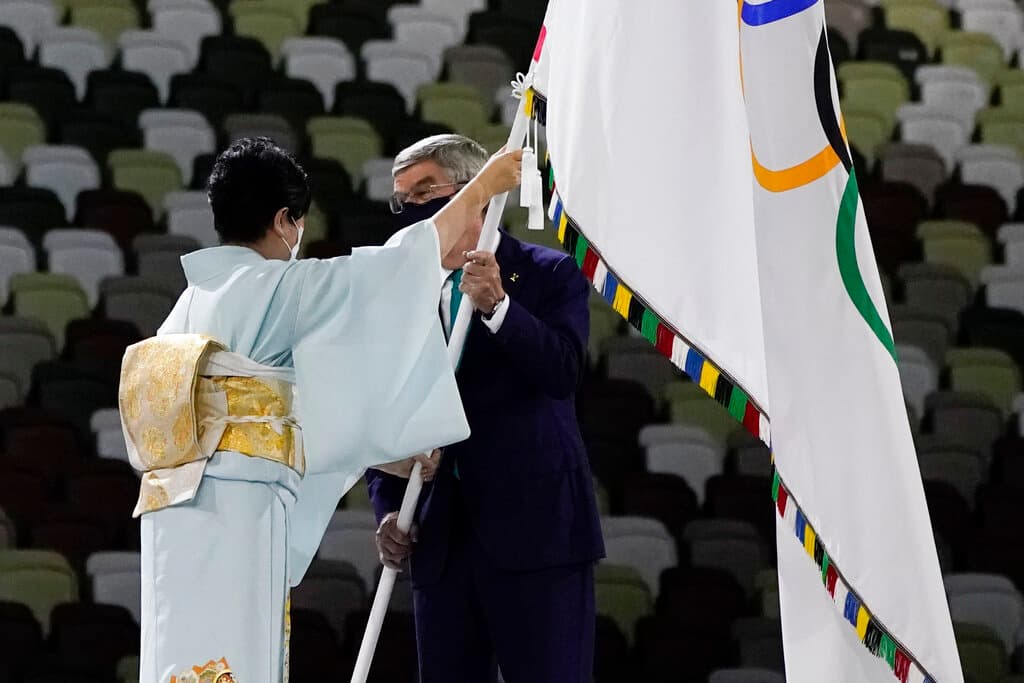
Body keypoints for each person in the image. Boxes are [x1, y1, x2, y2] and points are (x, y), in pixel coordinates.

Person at [118, 137, 522, 682]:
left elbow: (274, 410)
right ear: (286, 221)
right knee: (238, 658)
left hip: (173, 511)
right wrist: (482, 187)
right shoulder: (269, 286)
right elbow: (388, 272)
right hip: (240, 504)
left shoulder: (187, 305)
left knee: (180, 655)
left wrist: (389, 460)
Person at [365, 134, 605, 683]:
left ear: (476, 191)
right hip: (440, 540)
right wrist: (387, 507)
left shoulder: (548, 274)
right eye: (404, 199)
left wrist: (499, 306)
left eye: (427, 191)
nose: (416, 210)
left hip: (538, 536)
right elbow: (386, 416)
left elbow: (562, 372)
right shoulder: (401, 292)